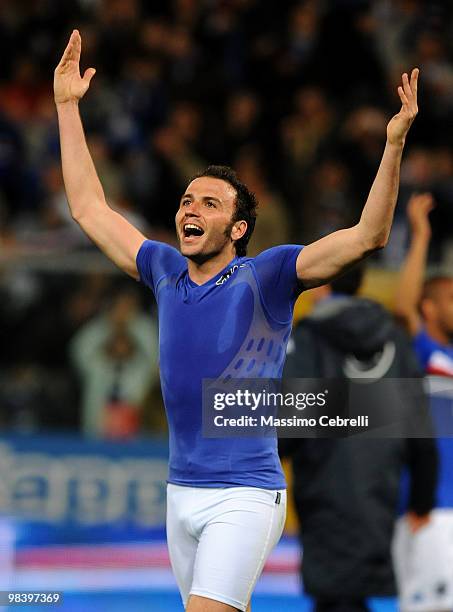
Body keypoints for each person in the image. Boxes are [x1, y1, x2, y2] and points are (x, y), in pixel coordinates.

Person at [54, 29, 419, 612]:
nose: (189, 209)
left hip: (245, 494)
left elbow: (369, 235)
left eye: (208, 204)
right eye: (185, 201)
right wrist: (67, 107)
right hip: (180, 493)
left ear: (238, 228)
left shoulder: (267, 277)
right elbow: (88, 207)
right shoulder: (163, 269)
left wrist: (393, 145)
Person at [280, 266, 438, 612]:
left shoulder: (309, 338)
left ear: (321, 286)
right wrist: (423, 495)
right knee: (351, 594)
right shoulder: (394, 338)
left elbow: (291, 423)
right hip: (380, 483)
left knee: (334, 595)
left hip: (323, 482)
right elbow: (418, 423)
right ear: (361, 284)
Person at [394, 192, 453, 376]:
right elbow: (404, 309)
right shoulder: (423, 348)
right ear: (429, 308)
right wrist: (421, 236)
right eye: (452, 299)